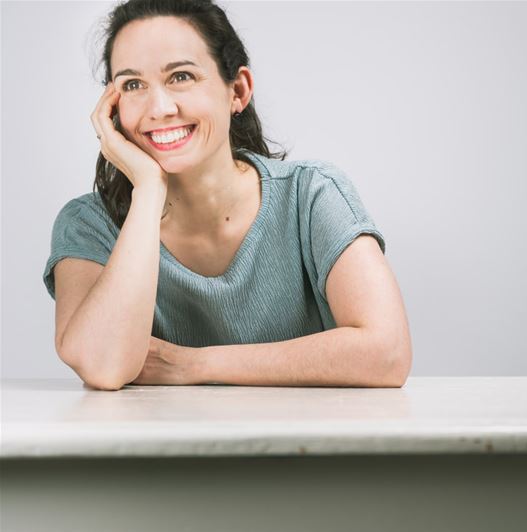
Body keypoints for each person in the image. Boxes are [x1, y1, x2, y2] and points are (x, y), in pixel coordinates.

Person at [43, 0, 412, 391]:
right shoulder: (88, 225)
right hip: (159, 451)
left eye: (181, 77)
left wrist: (194, 365)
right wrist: (148, 191)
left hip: (306, 446)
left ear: (237, 90)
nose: (159, 108)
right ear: (112, 107)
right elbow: (104, 366)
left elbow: (386, 353)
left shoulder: (311, 195)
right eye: (133, 85)